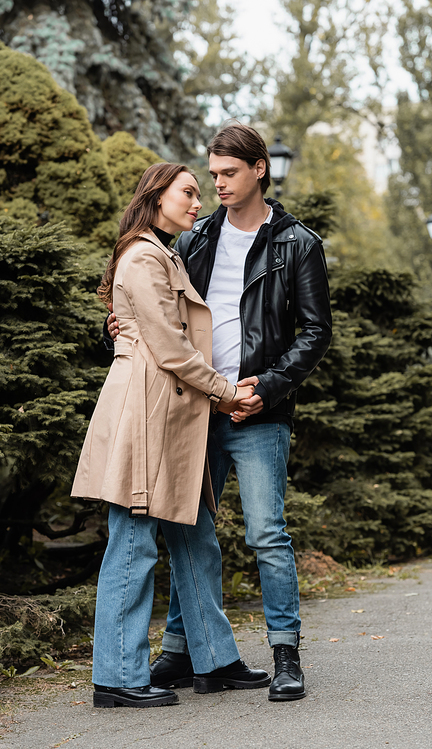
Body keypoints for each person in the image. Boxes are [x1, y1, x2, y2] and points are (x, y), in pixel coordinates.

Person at [107, 123, 332, 701]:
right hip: (197, 408)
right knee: (189, 529)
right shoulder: (196, 238)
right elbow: (163, 314)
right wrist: (124, 327)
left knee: (266, 534)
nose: (218, 184)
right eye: (211, 175)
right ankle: (185, 654)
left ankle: (286, 654)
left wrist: (272, 386)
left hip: (259, 410)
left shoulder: (297, 244)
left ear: (261, 169)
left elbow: (315, 332)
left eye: (229, 173)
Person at [72, 162, 271, 709]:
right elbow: (170, 348)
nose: (197, 200)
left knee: (196, 537)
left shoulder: (164, 253)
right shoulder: (142, 256)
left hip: (173, 417)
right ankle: (117, 677)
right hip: (146, 414)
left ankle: (214, 658)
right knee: (133, 545)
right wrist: (228, 392)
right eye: (187, 191)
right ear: (156, 195)